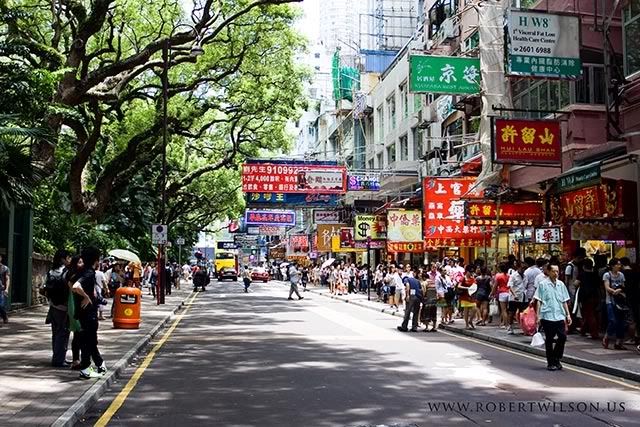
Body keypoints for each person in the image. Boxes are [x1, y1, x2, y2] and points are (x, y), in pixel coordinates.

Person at [72, 247, 107, 379]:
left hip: (82, 313)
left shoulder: (80, 271)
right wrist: (86, 297)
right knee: (89, 341)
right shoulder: (89, 272)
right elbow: (76, 286)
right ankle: (87, 368)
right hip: (88, 314)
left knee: (89, 341)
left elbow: (71, 283)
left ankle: (98, 365)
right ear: (96, 260)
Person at [534, 263, 572, 371]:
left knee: (562, 337)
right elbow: (539, 301)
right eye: (554, 271)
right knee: (549, 339)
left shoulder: (561, 284)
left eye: (557, 271)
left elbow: (564, 300)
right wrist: (538, 316)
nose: (556, 273)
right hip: (547, 315)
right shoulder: (543, 284)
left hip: (560, 315)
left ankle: (557, 358)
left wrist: (568, 314)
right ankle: (551, 362)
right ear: (549, 272)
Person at [44, 249, 71, 367]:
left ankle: (57, 357)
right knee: (63, 333)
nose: (69, 260)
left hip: (53, 306)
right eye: (68, 257)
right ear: (63, 259)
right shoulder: (66, 272)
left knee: (55, 333)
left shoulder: (51, 272)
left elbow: (44, 289)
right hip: (64, 307)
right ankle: (59, 360)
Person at [602, 258, 627, 350]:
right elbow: (607, 287)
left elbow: (623, 286)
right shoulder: (607, 275)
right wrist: (615, 291)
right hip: (610, 301)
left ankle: (618, 342)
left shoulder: (621, 275)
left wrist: (620, 290)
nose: (619, 266)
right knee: (613, 320)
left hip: (620, 302)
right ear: (613, 266)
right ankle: (607, 336)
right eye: (618, 264)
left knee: (621, 322)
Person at [575, 258, 600, 340]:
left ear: (583, 266)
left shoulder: (582, 274)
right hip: (595, 296)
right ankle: (583, 330)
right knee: (590, 313)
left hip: (585, 297)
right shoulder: (595, 274)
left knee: (589, 314)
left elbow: (576, 283)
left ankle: (594, 333)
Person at [506, 261, 526, 335]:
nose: (523, 269)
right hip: (514, 297)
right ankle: (510, 327)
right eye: (522, 268)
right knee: (511, 312)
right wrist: (514, 295)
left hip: (522, 297)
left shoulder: (525, 276)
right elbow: (510, 286)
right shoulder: (513, 275)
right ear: (518, 267)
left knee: (522, 313)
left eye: (524, 268)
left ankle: (524, 328)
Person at [457, 265, 477, 330]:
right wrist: (467, 288)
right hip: (464, 296)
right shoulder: (463, 278)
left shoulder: (473, 278)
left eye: (472, 272)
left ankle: (470, 321)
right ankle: (466, 324)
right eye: (470, 272)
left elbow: (475, 286)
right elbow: (459, 286)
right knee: (466, 311)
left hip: (471, 296)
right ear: (467, 271)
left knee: (474, 309)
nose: (471, 273)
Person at [492, 263, 511, 328]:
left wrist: (492, 293)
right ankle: (508, 323)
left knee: (503, 310)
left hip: (502, 293)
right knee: (508, 310)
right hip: (509, 293)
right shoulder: (509, 276)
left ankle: (506, 324)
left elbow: (495, 286)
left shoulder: (498, 276)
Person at [0, 254, 10, 324]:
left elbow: (7, 279)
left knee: (1, 305)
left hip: (1, 289)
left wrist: (7, 289)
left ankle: (4, 315)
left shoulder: (5, 268)